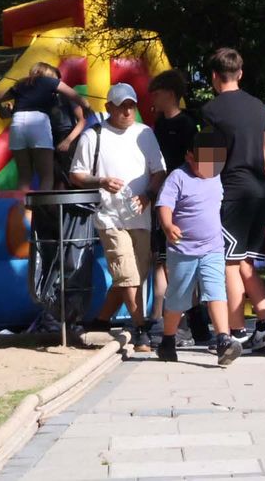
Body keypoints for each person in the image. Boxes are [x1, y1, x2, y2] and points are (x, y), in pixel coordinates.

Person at [70, 82, 167, 353]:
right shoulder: (93, 136)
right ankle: (140, 330)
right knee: (127, 274)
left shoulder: (145, 133)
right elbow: (76, 174)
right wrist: (100, 180)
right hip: (109, 216)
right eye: (121, 105)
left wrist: (147, 195)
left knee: (132, 276)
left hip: (141, 217)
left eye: (131, 105)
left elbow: (159, 171)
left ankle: (100, 322)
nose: (127, 111)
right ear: (108, 107)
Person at [200, 47, 265, 352]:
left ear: (214, 77)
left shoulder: (211, 111)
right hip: (260, 188)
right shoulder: (259, 107)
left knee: (228, 263)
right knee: (245, 261)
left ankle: (234, 331)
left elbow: (209, 161)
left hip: (232, 190)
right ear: (240, 73)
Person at [154, 132, 244, 366]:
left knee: (216, 290)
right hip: (183, 250)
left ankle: (223, 340)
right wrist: (167, 225)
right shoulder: (178, 177)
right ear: (190, 157)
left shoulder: (215, 177)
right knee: (178, 298)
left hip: (212, 247)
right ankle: (168, 339)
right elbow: (164, 204)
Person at [147, 69, 206, 341]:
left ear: (170, 94)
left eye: (156, 94)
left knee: (185, 262)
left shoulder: (187, 124)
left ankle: (196, 321)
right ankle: (163, 318)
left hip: (184, 201)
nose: (153, 99)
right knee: (163, 261)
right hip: (163, 199)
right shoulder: (157, 125)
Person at [0, 62, 88, 190]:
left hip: (65, 135)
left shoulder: (58, 95)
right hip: (46, 133)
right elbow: (32, 110)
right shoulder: (45, 89)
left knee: (28, 176)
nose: (57, 83)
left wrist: (68, 140)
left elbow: (81, 120)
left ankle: (31, 208)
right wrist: (86, 105)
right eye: (55, 80)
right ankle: (44, 208)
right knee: (48, 175)